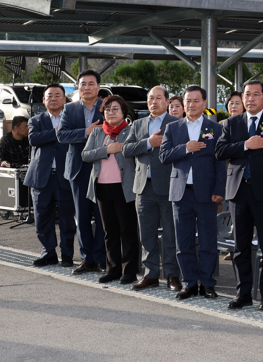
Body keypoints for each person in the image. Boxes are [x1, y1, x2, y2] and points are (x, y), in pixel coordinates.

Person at [216, 80, 263, 310]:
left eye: (255, 95)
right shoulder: (232, 123)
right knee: (241, 247)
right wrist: (246, 145)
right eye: (247, 95)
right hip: (238, 192)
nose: (250, 99)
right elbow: (220, 151)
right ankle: (243, 293)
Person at [158, 86, 226, 301]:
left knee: (208, 242)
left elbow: (220, 162)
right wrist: (186, 148)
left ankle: (207, 283)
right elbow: (164, 156)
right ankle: (188, 283)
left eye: (196, 101)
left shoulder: (215, 128)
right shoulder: (172, 128)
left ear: (204, 104)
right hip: (181, 193)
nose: (191, 105)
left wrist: (219, 190)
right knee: (183, 242)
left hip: (207, 194)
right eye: (188, 101)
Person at [121, 86, 181, 292]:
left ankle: (172, 274)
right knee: (146, 234)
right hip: (143, 188)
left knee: (170, 234)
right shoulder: (137, 124)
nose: (153, 102)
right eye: (150, 99)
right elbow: (126, 149)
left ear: (166, 102)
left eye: (158, 98)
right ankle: (151, 274)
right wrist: (148, 142)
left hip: (168, 187)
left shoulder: (176, 123)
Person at [81, 95, 139, 284]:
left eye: (115, 109)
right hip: (102, 189)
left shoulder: (131, 131)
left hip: (125, 188)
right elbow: (85, 155)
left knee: (127, 231)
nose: (111, 112)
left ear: (123, 112)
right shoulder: (97, 133)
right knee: (109, 231)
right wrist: (107, 150)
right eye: (107, 109)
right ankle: (112, 269)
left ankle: (129, 271)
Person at [57, 70, 106, 275]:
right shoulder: (69, 109)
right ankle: (87, 260)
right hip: (78, 169)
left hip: (103, 167)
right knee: (83, 216)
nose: (86, 88)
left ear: (98, 86)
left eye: (91, 84)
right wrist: (85, 132)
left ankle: (102, 258)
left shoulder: (107, 106)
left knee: (103, 217)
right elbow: (61, 135)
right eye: (83, 84)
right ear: (78, 87)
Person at [25, 85, 75, 267]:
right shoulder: (35, 120)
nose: (53, 98)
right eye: (49, 96)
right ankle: (48, 253)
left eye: (57, 95)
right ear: (44, 100)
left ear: (64, 99)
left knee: (67, 219)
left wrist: (62, 131)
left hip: (65, 176)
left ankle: (67, 254)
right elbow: (34, 139)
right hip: (41, 177)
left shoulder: (72, 119)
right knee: (42, 218)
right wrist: (58, 132)